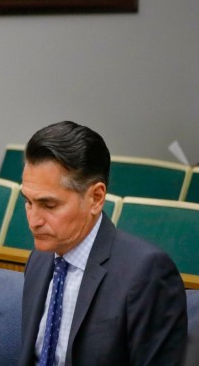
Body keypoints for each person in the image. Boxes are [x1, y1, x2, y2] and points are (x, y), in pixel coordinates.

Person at [18, 121, 187, 366]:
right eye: (28, 202)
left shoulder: (146, 273)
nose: (33, 220)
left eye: (49, 205)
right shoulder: (40, 259)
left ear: (96, 198)